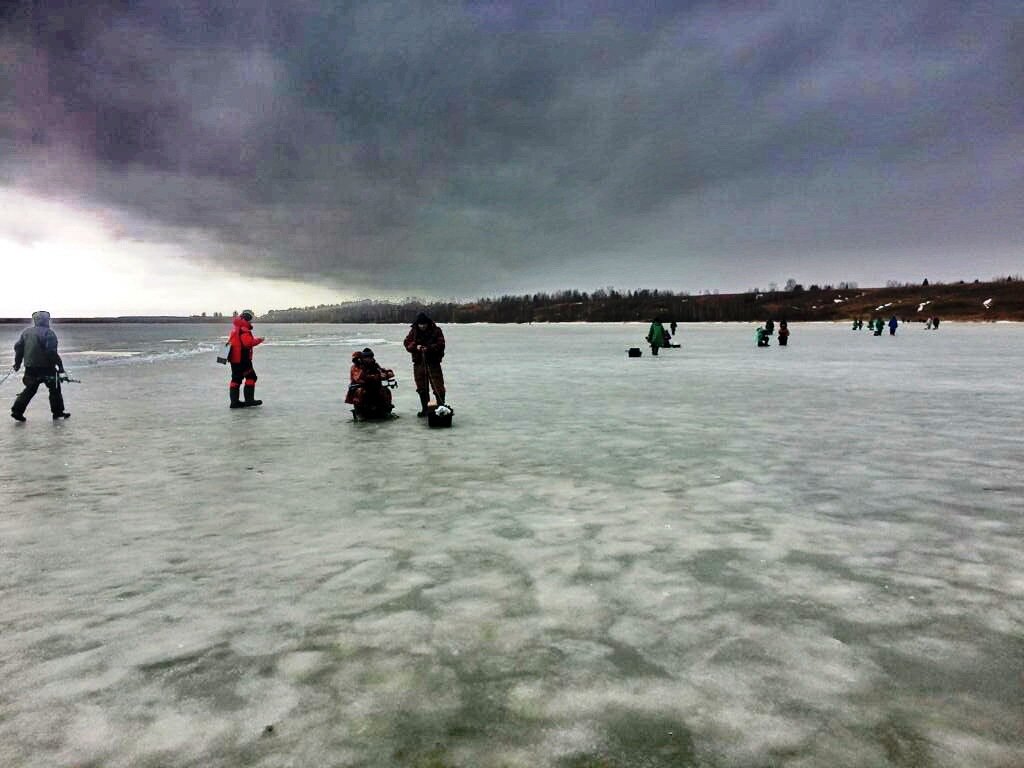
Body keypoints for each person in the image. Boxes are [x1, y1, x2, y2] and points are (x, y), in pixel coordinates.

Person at [10, 310, 70, 421]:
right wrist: (60, 367)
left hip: (30, 368)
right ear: (46, 320)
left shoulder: (26, 332)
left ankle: (17, 411)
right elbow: (51, 352)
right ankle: (58, 412)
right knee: (55, 389)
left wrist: (17, 363)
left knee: (30, 389)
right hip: (47, 368)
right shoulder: (49, 333)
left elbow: (19, 349)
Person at [404, 312, 446, 416]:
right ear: (417, 324)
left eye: (424, 324)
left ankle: (441, 407)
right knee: (422, 387)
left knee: (438, 386)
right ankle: (425, 409)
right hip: (419, 363)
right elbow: (406, 343)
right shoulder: (413, 331)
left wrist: (429, 348)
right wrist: (415, 347)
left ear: (428, 323)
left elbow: (441, 344)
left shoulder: (436, 330)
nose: (422, 326)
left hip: (433, 363)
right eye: (420, 324)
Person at [227, 310, 264, 408]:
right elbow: (248, 343)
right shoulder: (244, 330)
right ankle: (249, 400)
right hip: (243, 358)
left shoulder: (235, 329)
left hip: (234, 358)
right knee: (251, 377)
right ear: (247, 319)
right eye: (251, 319)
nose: (251, 322)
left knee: (236, 379)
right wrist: (259, 340)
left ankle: (234, 402)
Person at [345, 348, 394, 418]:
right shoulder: (356, 367)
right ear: (363, 358)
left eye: (371, 357)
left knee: (386, 391)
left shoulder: (375, 365)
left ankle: (386, 410)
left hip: (375, 388)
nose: (371, 359)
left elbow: (384, 372)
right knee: (359, 392)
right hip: (362, 388)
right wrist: (376, 376)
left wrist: (387, 374)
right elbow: (359, 378)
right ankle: (359, 413)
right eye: (368, 357)